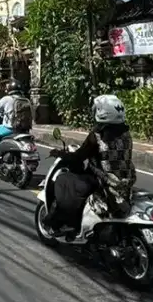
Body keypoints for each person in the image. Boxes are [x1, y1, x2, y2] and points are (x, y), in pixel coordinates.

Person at [45, 94, 137, 238]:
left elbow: (79, 157)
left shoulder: (97, 136)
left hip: (101, 180)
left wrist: (60, 154)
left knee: (64, 180)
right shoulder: (126, 133)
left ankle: (65, 223)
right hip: (125, 181)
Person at [0, 80, 33, 165]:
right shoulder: (26, 100)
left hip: (10, 129)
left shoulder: (7, 99)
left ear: (10, 89)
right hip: (24, 130)